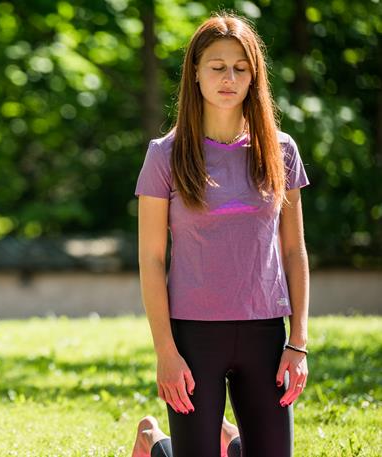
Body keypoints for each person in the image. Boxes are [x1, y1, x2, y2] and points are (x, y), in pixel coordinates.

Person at [135, 13, 310, 457]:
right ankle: (154, 443)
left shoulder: (281, 149)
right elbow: (152, 260)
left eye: (240, 67)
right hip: (193, 337)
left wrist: (298, 342)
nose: (228, 78)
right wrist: (166, 352)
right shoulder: (165, 155)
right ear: (195, 72)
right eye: (216, 66)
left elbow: (294, 251)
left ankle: (230, 441)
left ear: (254, 75)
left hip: (265, 331)